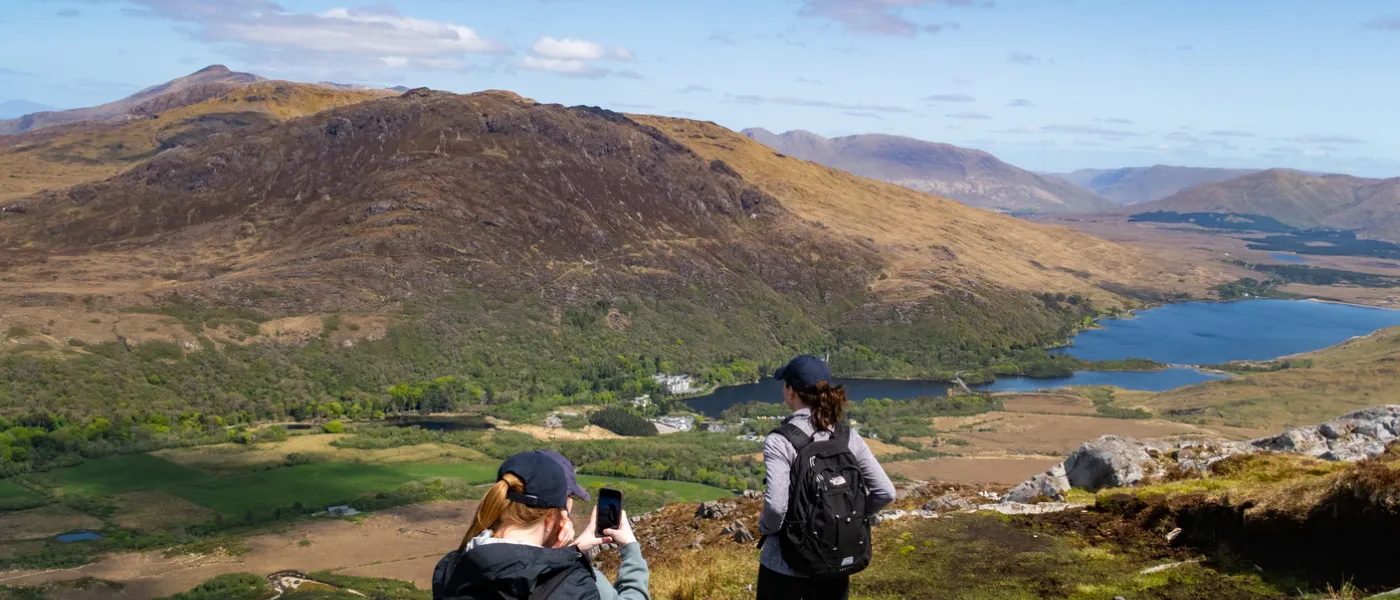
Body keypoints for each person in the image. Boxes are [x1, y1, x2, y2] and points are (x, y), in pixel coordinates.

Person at [757, 355, 897, 600]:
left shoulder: (780, 441)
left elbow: (777, 508)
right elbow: (886, 492)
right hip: (835, 560)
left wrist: (764, 528)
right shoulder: (846, 436)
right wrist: (847, 520)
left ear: (791, 391)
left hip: (784, 566)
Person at [432, 450, 651, 600]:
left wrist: (569, 553)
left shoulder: (450, 570)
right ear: (552, 518)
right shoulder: (576, 585)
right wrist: (630, 549)